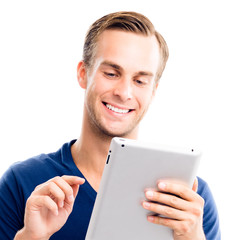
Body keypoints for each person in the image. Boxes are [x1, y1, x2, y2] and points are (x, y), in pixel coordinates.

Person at [0, 11, 220, 240]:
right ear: (83, 74)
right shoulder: (22, 183)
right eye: (112, 73)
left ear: (153, 91)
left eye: (140, 80)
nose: (124, 93)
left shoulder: (190, 201)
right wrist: (31, 237)